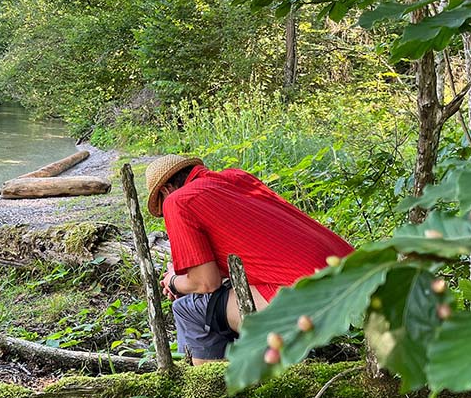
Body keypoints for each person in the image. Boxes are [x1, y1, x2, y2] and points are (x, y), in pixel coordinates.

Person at [145, 154, 354, 364]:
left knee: (189, 309)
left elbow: (206, 282)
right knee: (215, 302)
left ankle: (210, 389)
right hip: (355, 280)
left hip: (311, 301)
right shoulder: (236, 178)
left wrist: (173, 280)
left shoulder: (177, 201)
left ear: (166, 190)